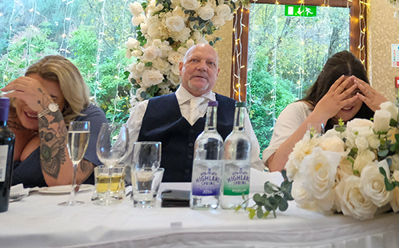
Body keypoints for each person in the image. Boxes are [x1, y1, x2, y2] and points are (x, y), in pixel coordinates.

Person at [125, 42, 263, 181]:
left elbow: (253, 166)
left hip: (217, 200)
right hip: (156, 200)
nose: (202, 67)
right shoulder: (144, 109)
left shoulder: (237, 112)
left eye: (210, 64)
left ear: (217, 73)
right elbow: (123, 162)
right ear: (180, 68)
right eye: (194, 60)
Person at [263, 51, 386, 172]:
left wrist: (387, 109)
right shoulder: (299, 111)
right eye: (342, 93)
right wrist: (321, 114)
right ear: (325, 89)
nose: (349, 101)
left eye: (356, 93)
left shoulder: (372, 117)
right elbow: (276, 167)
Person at [1, 55, 107, 187]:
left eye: (50, 98)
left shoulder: (87, 117)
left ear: (67, 102)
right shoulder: (6, 111)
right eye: (29, 94)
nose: (32, 106)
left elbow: (65, 180)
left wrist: (47, 110)